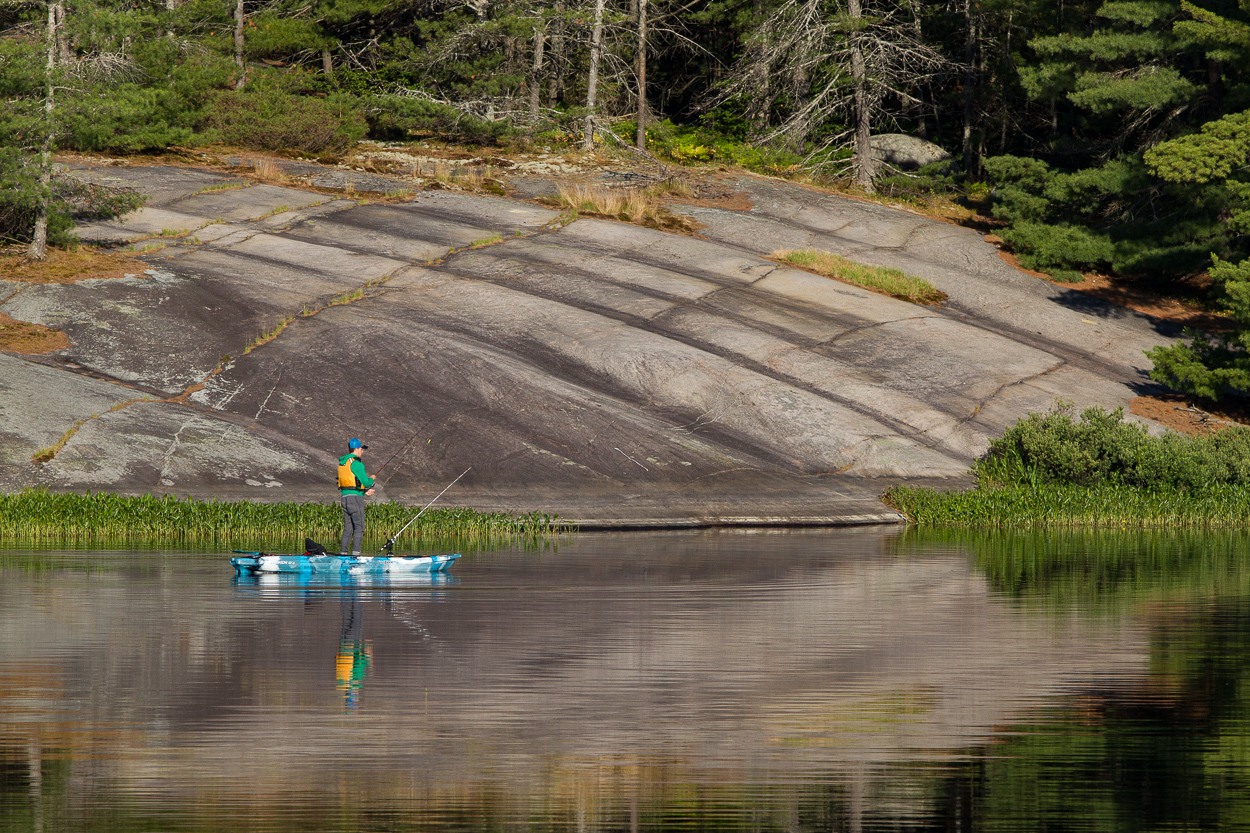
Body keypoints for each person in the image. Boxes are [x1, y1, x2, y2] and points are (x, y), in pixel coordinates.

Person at [337, 438, 376, 555]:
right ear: (357, 449)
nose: (362, 451)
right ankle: (355, 556)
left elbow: (351, 484)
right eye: (361, 449)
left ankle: (343, 555)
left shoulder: (342, 463)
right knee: (360, 528)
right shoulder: (356, 463)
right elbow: (366, 482)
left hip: (344, 498)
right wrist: (372, 479)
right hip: (355, 499)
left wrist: (364, 492)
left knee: (348, 528)